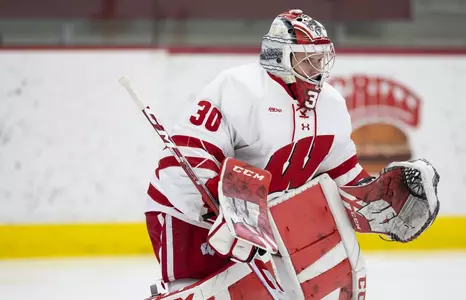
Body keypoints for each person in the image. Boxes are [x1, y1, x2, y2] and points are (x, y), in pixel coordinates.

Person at [144, 9, 439, 300]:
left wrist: (374, 199)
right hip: (189, 214)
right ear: (279, 56)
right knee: (195, 292)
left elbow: (343, 174)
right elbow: (189, 155)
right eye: (308, 58)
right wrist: (229, 214)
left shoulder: (331, 105)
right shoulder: (239, 88)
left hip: (261, 228)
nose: (318, 67)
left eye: (321, 58)